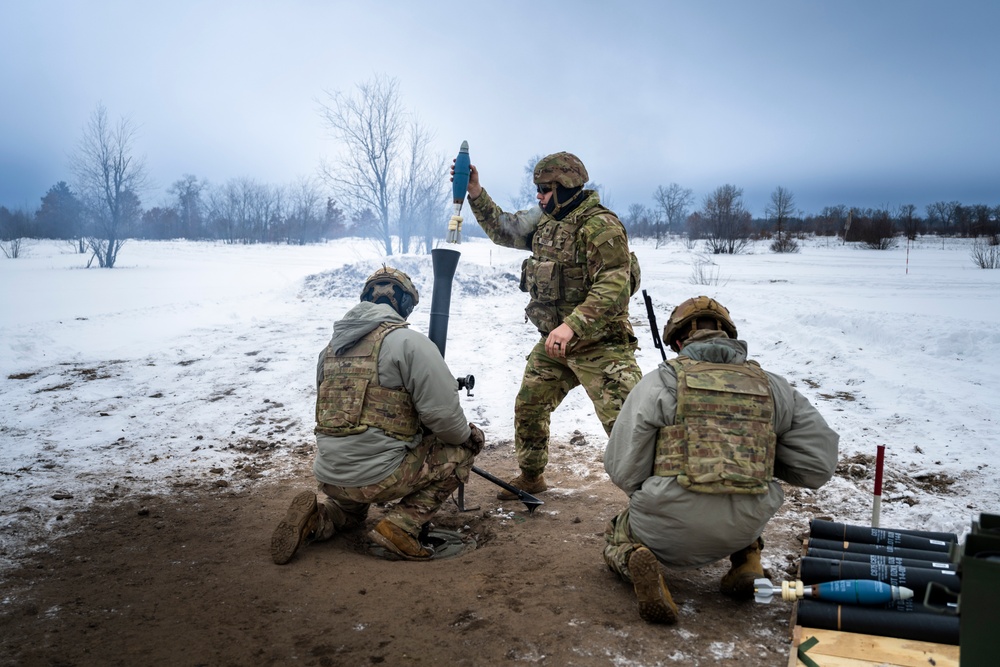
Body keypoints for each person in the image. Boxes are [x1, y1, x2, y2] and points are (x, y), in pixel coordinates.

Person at [602, 296, 839, 624]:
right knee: (744, 512)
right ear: (728, 335)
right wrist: (756, 459)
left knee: (617, 534)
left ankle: (638, 561)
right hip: (744, 525)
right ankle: (747, 564)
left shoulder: (660, 382)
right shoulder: (775, 387)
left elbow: (622, 469)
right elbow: (818, 466)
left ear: (678, 341)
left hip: (665, 528)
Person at [454, 152, 642, 500]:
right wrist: (476, 193)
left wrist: (572, 325)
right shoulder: (545, 220)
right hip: (555, 344)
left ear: (566, 187)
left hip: (602, 346)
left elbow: (613, 285)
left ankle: (653, 501)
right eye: (538, 189)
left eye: (544, 189)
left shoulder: (600, 226)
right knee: (529, 406)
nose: (538, 196)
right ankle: (531, 477)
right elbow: (504, 229)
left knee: (629, 426)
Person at [270, 266, 485, 563]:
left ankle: (318, 518)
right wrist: (470, 436)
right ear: (406, 304)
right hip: (377, 476)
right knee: (462, 448)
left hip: (331, 475)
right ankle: (400, 527)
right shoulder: (409, 343)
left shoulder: (330, 350)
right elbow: (446, 420)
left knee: (350, 512)